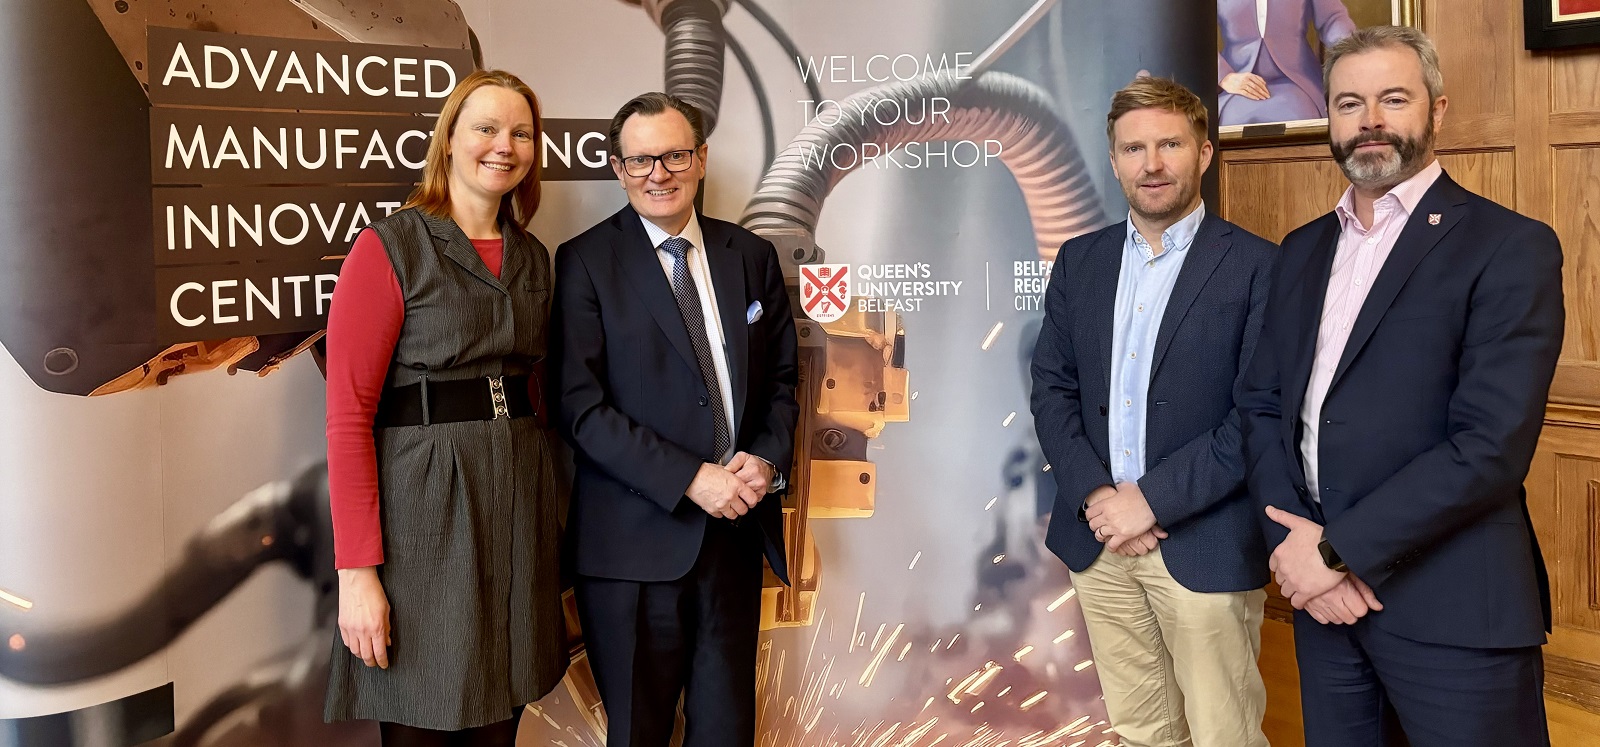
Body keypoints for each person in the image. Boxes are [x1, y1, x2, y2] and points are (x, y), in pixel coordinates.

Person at [1240, 26, 1563, 746]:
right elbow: (1262, 406)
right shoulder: (1300, 250)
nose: (1371, 121)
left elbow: (1489, 445)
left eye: (1393, 98)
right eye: (1349, 103)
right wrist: (1297, 551)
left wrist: (1334, 553)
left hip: (1452, 609)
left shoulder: (1510, 246)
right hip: (1324, 608)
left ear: (1437, 110)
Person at [321, 69, 567, 745]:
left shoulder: (535, 260)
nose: (504, 145)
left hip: (517, 509)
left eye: (521, 132)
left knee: (501, 720)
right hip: (422, 521)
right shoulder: (390, 247)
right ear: (450, 139)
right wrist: (358, 574)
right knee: (422, 715)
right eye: (485, 127)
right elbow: (347, 418)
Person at [1030, 77, 1276, 747]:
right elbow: (1051, 388)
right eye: (1134, 148)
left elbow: (1257, 415)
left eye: (1170, 143)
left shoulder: (1259, 267)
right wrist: (1099, 496)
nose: (1153, 163)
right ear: (1113, 161)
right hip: (1099, 539)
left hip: (1204, 545)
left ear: (1204, 151)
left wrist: (1151, 502)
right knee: (1143, 732)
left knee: (1226, 734)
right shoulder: (1081, 261)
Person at [549, 92, 799, 746]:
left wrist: (766, 457)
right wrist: (692, 477)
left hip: (733, 544)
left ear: (701, 158)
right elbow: (580, 407)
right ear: (618, 168)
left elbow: (779, 380)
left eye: (674, 155)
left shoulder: (749, 256)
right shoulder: (583, 263)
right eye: (640, 160)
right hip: (631, 554)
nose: (658, 173)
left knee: (726, 734)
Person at [1218, 0, 1357, 125]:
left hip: (1299, 82)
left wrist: (1350, 57)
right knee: (1230, 121)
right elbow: (1197, 32)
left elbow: (1332, 20)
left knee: (1302, 118)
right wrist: (1225, 76)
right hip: (1236, 85)